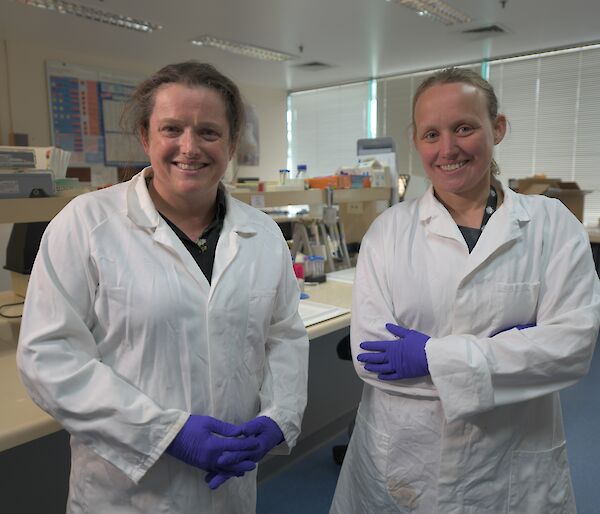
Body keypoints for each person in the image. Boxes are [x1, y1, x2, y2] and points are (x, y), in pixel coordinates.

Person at [16, 61, 309, 514]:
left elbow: (284, 335)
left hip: (228, 488)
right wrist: (164, 433)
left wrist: (277, 417)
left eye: (209, 132)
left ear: (231, 144)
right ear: (146, 137)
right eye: (171, 128)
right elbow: (48, 357)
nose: (189, 147)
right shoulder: (87, 224)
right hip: (127, 494)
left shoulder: (263, 234)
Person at [330, 67, 600, 514]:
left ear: (497, 128)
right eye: (431, 134)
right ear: (416, 142)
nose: (448, 148)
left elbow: (571, 348)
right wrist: (513, 352)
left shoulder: (552, 225)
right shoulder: (388, 232)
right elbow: (373, 358)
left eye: (464, 128)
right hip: (403, 459)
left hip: (511, 464)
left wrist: (431, 357)